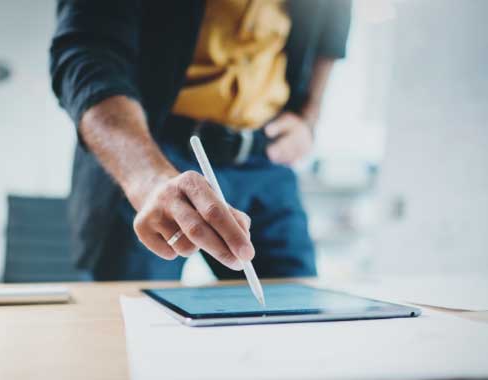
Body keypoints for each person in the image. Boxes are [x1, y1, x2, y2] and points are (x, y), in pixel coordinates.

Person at [49, 0, 351, 281]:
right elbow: (87, 52)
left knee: (298, 316)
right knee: (130, 315)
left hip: (266, 154)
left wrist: (308, 119)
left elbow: (332, 30)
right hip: (155, 150)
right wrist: (148, 178)